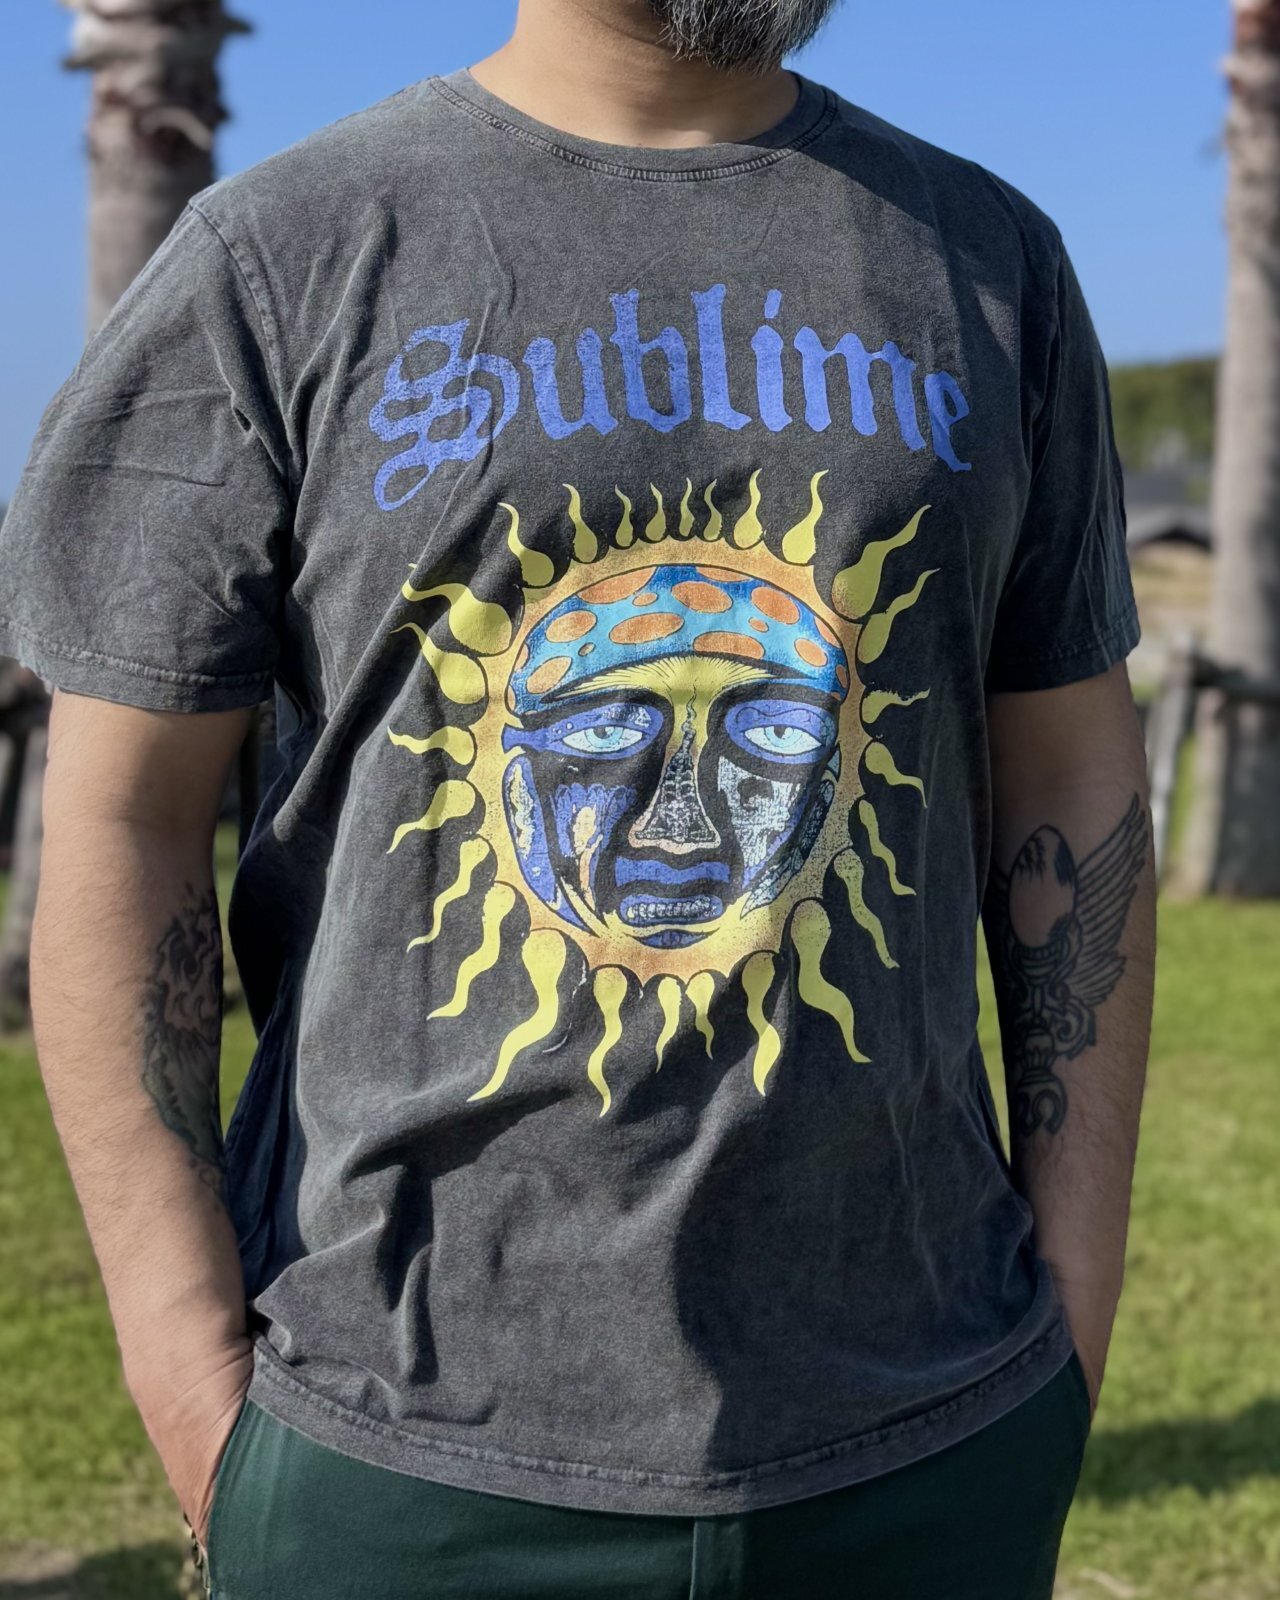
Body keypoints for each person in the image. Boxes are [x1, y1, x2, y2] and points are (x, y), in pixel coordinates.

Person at [0, 1, 1155, 1595]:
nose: (681, 819)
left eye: (759, 739)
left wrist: (1068, 1326)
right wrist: (188, 1375)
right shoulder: (276, 256)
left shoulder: (990, 261)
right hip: (390, 1461)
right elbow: (123, 819)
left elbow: (1072, 777)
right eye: (607, 735)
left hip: (931, 1442)